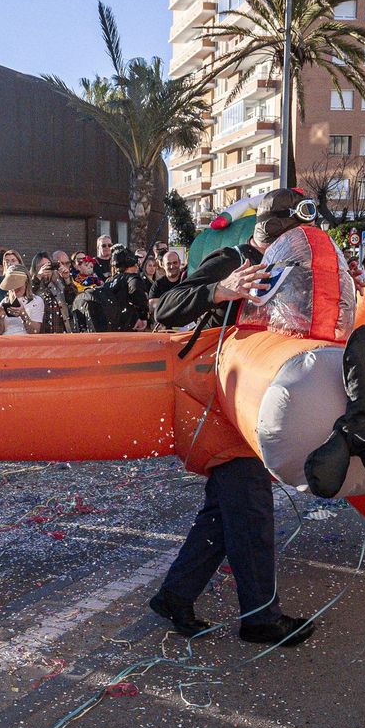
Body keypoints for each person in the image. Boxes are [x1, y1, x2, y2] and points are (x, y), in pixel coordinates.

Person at [148, 188, 316, 647]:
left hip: (254, 401)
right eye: (296, 232)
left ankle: (175, 596)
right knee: (251, 510)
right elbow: (167, 306)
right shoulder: (233, 258)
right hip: (221, 402)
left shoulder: (292, 266)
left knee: (225, 513)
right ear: (274, 229)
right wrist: (221, 289)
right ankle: (261, 619)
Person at [0, 268, 43, 335]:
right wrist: (1, 318)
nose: (15, 288)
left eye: (18, 284)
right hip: (6, 339)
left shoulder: (36, 300)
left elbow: (35, 331)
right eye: (12, 284)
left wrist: (23, 314)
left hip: (25, 340)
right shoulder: (5, 301)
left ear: (26, 283)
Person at [32, 254, 69, 333]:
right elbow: (27, 295)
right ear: (36, 268)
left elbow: (72, 299)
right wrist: (38, 276)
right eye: (42, 266)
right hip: (41, 332)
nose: (47, 269)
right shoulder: (33, 284)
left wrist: (67, 279)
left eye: (49, 266)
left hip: (61, 331)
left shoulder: (59, 283)